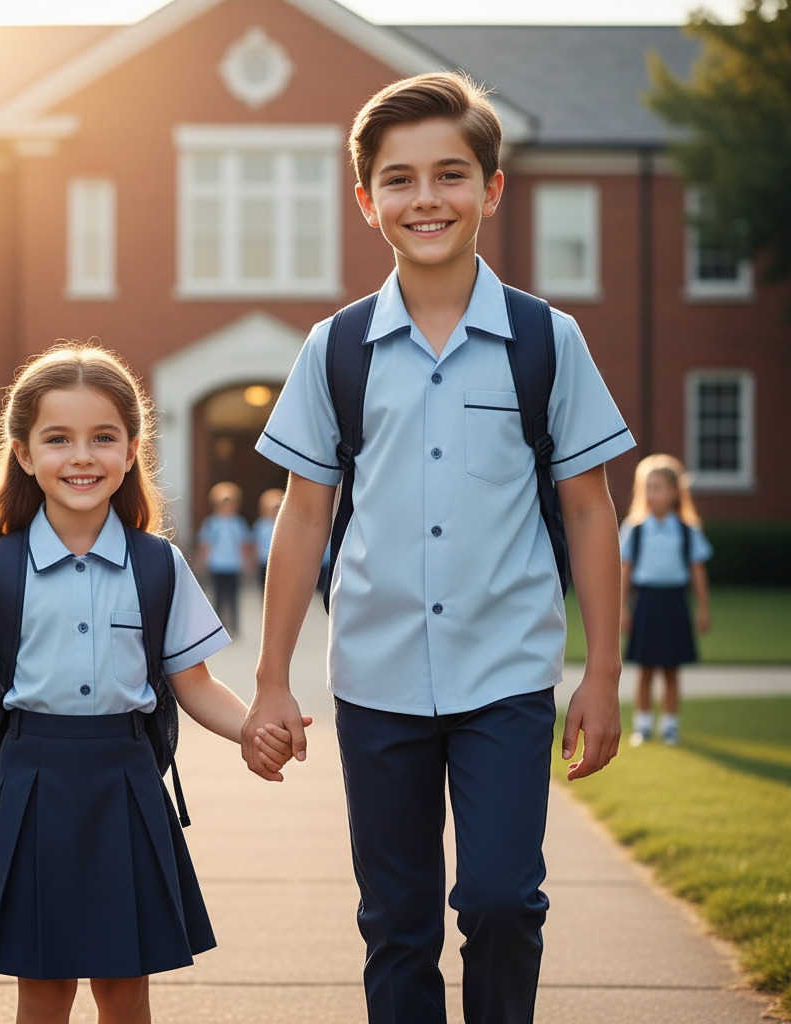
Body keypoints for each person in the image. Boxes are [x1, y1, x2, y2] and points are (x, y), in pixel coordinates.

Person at [243, 72, 636, 1024]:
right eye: (400, 179)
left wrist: (603, 674)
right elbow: (303, 517)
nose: (427, 198)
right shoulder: (335, 349)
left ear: (492, 190)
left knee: (503, 903)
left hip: (505, 674)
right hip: (374, 679)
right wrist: (270, 678)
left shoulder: (549, 340)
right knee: (398, 922)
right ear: (367, 201)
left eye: (451, 175)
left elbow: (588, 512)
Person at [0, 343, 305, 1024]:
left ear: (131, 451)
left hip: (127, 784)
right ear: (24, 452)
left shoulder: (158, 566)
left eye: (103, 438)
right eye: (58, 439)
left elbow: (196, 683)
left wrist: (254, 729)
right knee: (43, 987)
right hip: (30, 785)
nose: (81, 456)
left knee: (125, 989)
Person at [621, 453, 712, 746]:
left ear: (675, 492)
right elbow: (625, 572)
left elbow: (698, 573)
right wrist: (622, 608)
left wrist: (703, 609)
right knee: (645, 669)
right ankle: (643, 725)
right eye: (648, 487)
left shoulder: (687, 531)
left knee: (671, 669)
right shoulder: (635, 530)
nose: (652, 494)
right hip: (646, 603)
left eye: (658, 487)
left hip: (675, 603)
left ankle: (670, 725)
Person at [196, 481, 252, 635]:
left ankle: (234, 625)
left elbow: (243, 544)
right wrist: (201, 562)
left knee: (233, 596)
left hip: (233, 564)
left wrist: (247, 562)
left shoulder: (238, 522)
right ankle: (218, 626)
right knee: (219, 596)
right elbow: (206, 544)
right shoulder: (212, 523)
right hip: (218, 564)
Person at [252, 488, 284, 588]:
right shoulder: (261, 524)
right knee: (265, 586)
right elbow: (256, 543)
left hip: (281, 561)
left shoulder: (285, 525)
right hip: (264, 560)